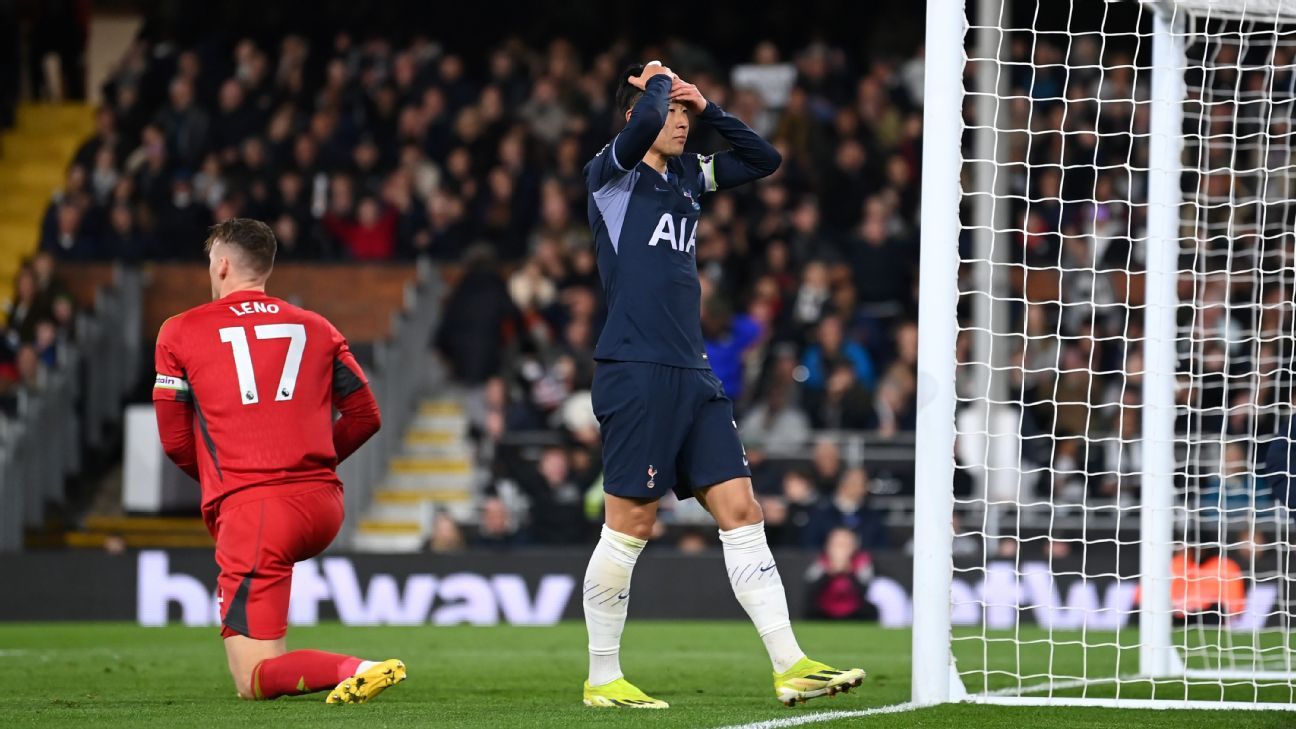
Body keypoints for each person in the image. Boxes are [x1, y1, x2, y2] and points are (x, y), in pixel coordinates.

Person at [579, 61, 864, 710]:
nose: (680, 125)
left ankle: (790, 664)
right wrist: (656, 81)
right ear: (637, 116)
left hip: (693, 372)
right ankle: (602, 676)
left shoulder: (685, 177)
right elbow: (647, 115)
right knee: (630, 524)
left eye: (685, 117)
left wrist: (707, 106)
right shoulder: (611, 175)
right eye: (671, 114)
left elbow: (762, 159)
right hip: (636, 369)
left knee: (742, 511)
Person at [152, 218, 404, 703]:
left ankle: (360, 667)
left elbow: (176, 441)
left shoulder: (178, 332)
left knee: (251, 680)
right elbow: (365, 416)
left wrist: (226, 485)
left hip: (255, 509)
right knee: (268, 656)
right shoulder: (316, 326)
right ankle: (335, 668)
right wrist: (319, 466)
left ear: (222, 264)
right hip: (322, 506)